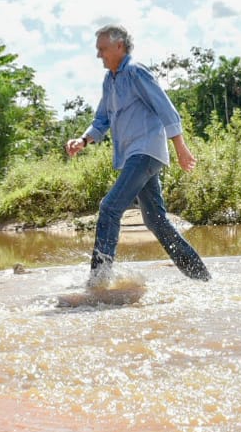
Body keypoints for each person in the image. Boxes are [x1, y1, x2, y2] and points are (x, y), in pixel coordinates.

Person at [65, 24, 211, 287]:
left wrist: (181, 147)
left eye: (103, 49)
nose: (99, 55)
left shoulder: (135, 72)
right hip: (135, 155)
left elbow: (165, 108)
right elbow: (101, 119)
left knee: (109, 208)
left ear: (119, 46)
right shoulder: (110, 81)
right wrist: (84, 140)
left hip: (145, 152)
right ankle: (202, 277)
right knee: (156, 221)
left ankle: (98, 281)